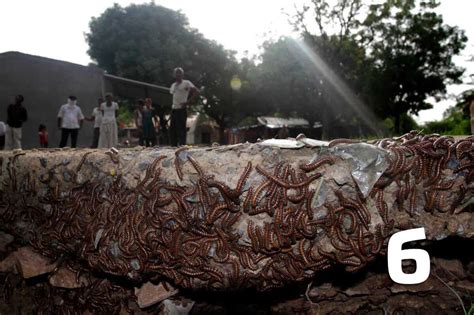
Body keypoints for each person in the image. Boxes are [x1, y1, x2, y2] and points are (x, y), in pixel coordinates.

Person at [169, 67, 199, 146]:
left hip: (181, 109)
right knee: (172, 129)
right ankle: (173, 147)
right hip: (174, 109)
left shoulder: (187, 83)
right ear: (174, 75)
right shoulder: (173, 85)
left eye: (180, 73)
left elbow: (196, 91)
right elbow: (173, 96)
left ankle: (182, 147)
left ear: (182, 74)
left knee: (181, 129)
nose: (178, 74)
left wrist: (187, 102)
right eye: (176, 73)